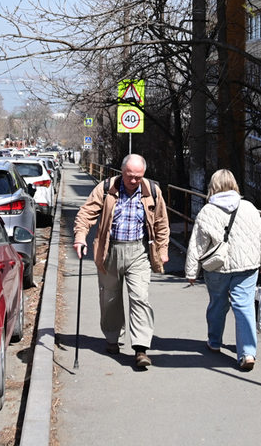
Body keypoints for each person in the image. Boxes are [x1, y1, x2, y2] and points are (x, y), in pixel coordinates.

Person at [73, 153, 170, 369]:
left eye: (138, 176)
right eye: (129, 176)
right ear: (122, 171)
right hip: (110, 250)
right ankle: (112, 338)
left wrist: (162, 249)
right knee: (110, 299)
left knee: (140, 298)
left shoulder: (152, 191)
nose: (134, 181)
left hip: (139, 252)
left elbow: (162, 222)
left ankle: (141, 348)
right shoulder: (107, 188)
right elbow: (86, 213)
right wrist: (80, 237)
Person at [184, 169, 261, 371]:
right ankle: (248, 353)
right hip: (247, 266)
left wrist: (191, 272)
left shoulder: (207, 211)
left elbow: (197, 244)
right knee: (244, 306)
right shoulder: (249, 208)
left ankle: (214, 342)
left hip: (217, 268)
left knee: (217, 304)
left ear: (212, 187)